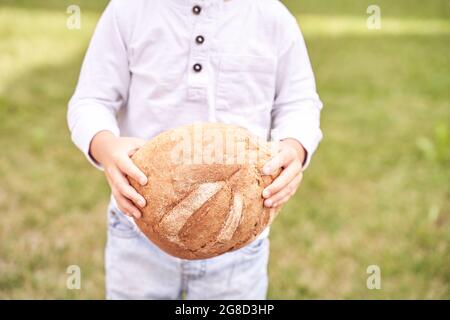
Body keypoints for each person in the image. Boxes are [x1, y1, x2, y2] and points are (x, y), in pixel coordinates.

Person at [67, 0, 323, 299]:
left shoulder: (271, 17)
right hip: (139, 232)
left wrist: (294, 146)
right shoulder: (129, 10)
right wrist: (106, 147)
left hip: (238, 239)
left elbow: (298, 103)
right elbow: (91, 99)